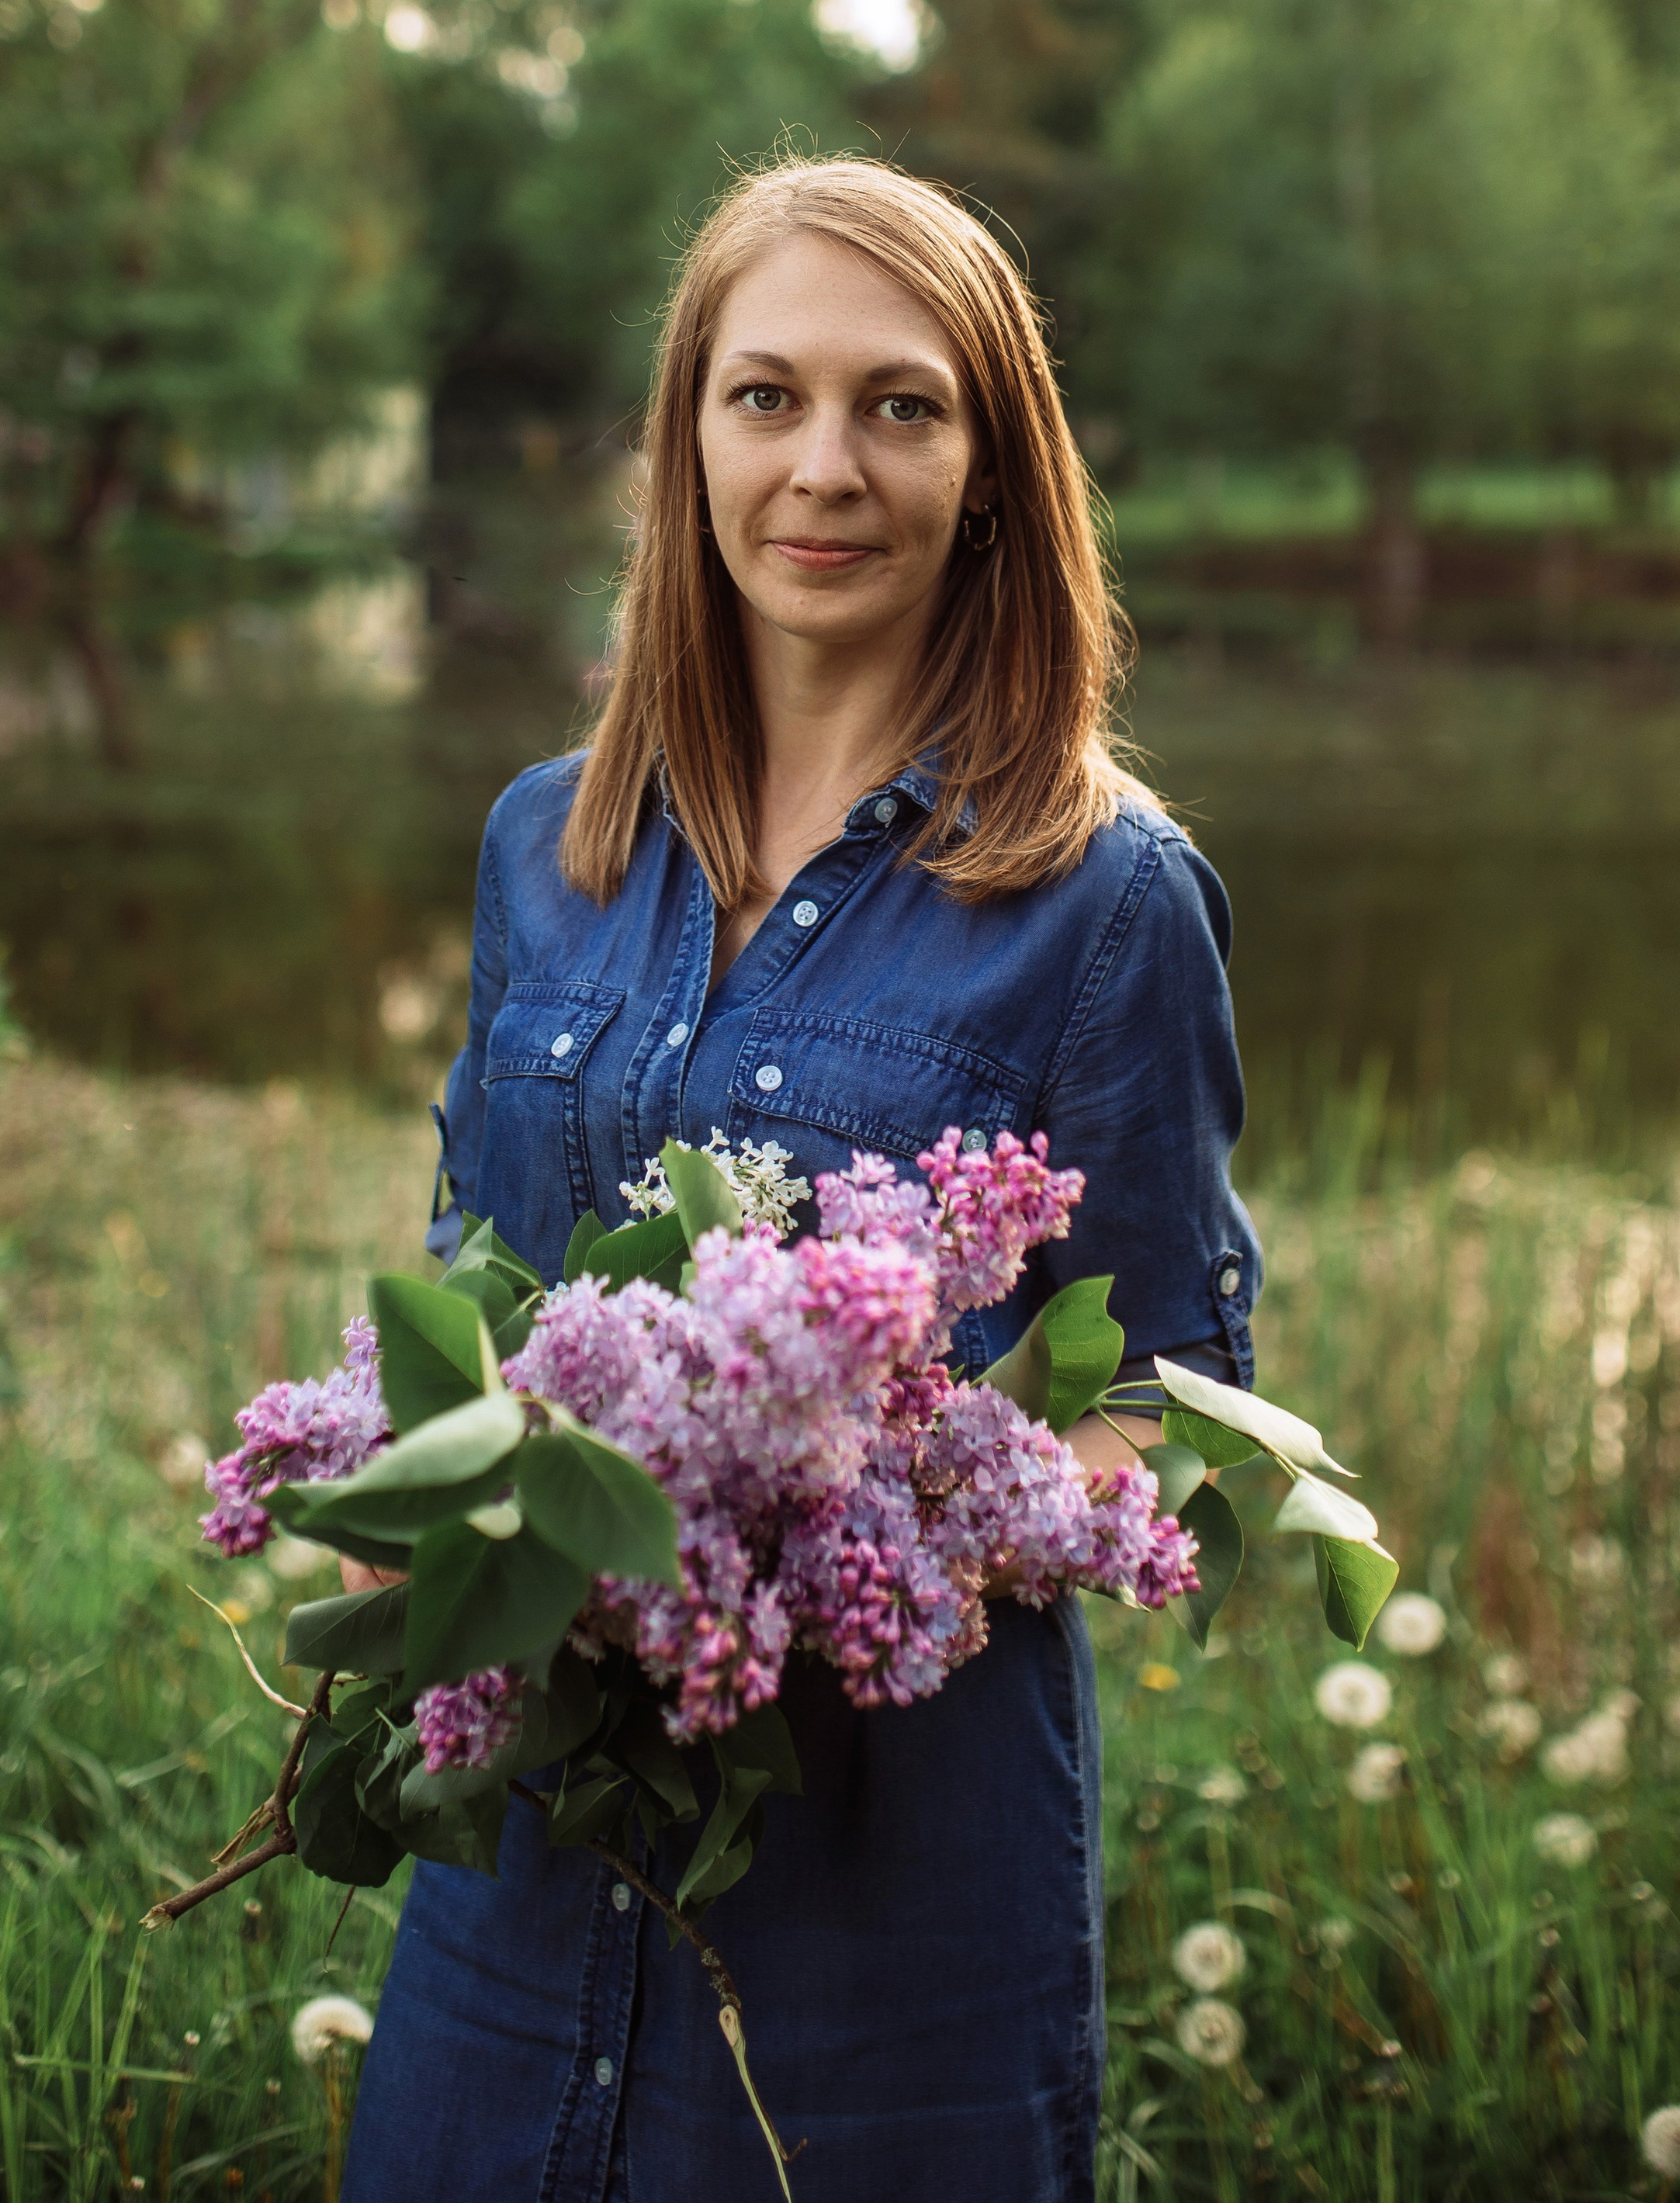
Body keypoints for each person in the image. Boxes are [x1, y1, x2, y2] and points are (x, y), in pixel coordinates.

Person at [342, 157, 1260, 2203]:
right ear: (687, 442)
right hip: (517, 1876)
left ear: (996, 465)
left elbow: (1162, 1406)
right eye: (766, 397)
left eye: (899, 404)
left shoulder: (1110, 900)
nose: (823, 464)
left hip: (886, 1924)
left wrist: (814, 1534)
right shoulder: (543, 848)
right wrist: (426, 1511)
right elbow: (467, 1286)